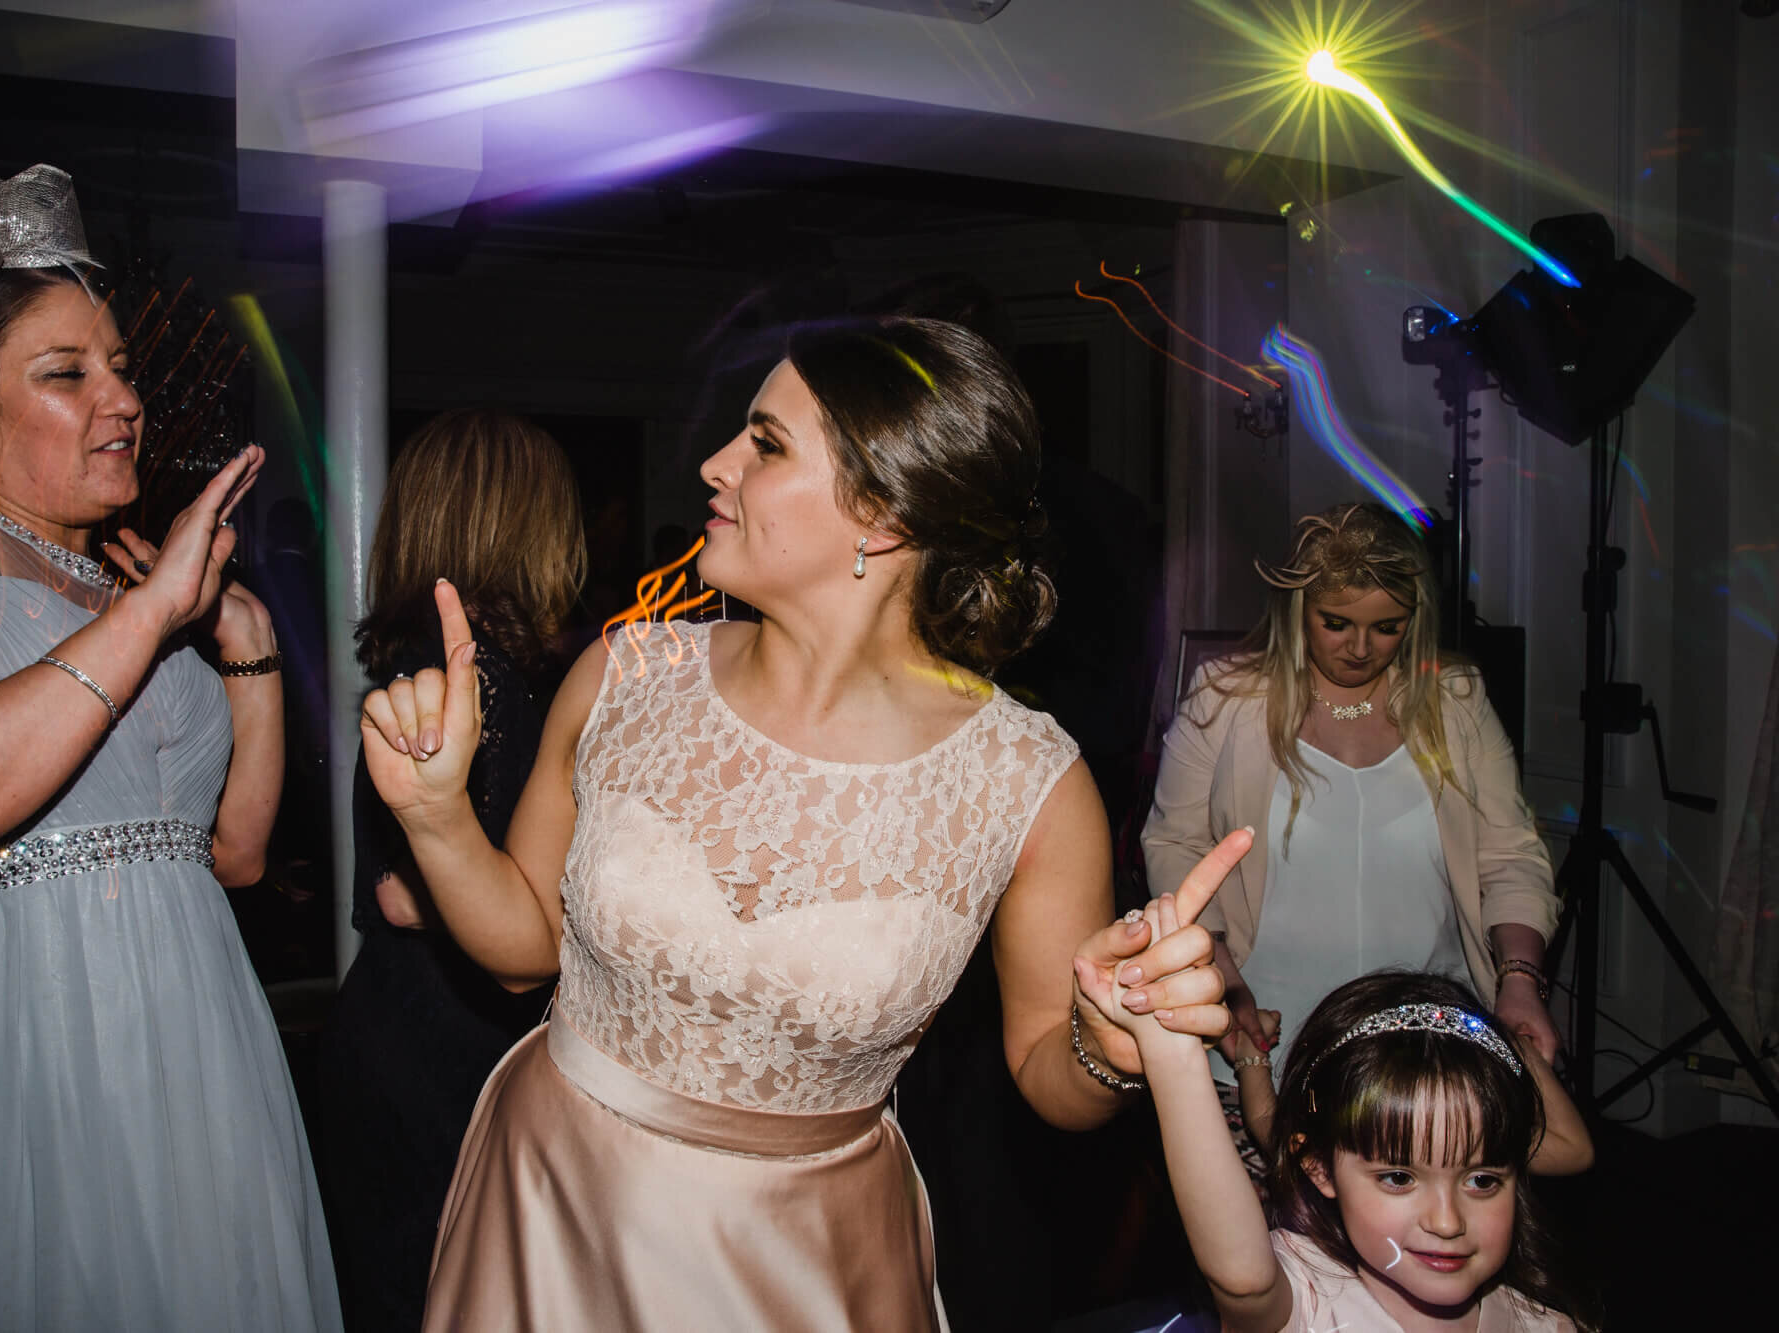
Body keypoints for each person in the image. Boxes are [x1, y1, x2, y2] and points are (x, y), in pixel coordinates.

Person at [360, 317, 1248, 1331]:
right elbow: (522, 950)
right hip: (556, 1201)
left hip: (801, 1254)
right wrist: (433, 818)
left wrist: (1108, 1044)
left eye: (764, 444)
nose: (713, 463)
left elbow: (1050, 1075)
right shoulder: (624, 676)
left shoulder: (1025, 780)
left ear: (877, 514)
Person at [0, 141, 340, 1330]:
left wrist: (239, 644)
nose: (124, 399)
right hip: (1, 1048)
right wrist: (149, 618)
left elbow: (230, 854)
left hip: (189, 1036)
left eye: (121, 368)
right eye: (65, 373)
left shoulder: (118, 579)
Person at [1144, 502, 1563, 1174]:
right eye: (1335, 622)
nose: (1359, 648)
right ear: (1297, 608)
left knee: (1422, 1263)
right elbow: (1175, 846)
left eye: (1386, 627)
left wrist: (1519, 980)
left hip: (1425, 1068)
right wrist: (1219, 973)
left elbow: (1511, 854)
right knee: (1267, 1272)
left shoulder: (1455, 699)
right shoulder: (1222, 698)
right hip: (1261, 1056)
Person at [319, 408, 585, 1332]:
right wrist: (568, 907)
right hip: (441, 1043)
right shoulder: (480, 675)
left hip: (406, 1029)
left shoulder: (438, 660)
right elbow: (401, 892)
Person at [1094, 943, 1595, 1332]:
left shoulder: (1545, 1324)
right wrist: (1171, 1054)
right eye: (1399, 1177)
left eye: (1482, 1180)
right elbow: (1242, 1279)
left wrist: (1498, 1035)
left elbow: (1575, 1148)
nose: (1447, 1222)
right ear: (1318, 1168)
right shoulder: (1312, 1300)